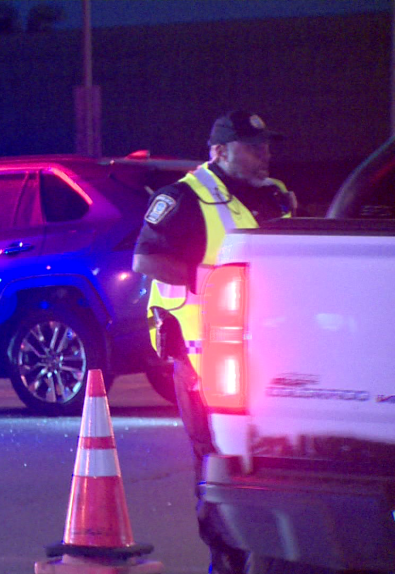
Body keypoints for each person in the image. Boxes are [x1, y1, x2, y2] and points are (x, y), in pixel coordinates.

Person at [132, 110, 297, 574]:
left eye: (266, 145)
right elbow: (146, 259)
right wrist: (216, 282)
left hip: (269, 352)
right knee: (217, 462)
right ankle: (225, 560)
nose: (265, 154)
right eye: (253, 146)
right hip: (206, 359)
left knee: (267, 460)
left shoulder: (273, 197)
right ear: (219, 151)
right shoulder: (182, 198)